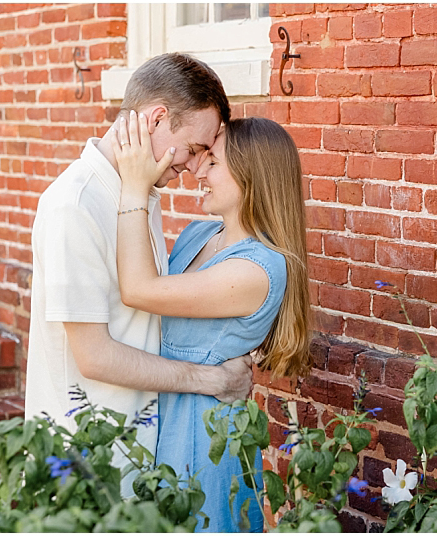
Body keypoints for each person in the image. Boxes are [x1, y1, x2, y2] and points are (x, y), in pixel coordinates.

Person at [25, 53, 253, 498]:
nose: (192, 167)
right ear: (157, 119)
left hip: (137, 457)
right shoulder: (75, 205)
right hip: (87, 469)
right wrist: (212, 379)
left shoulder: (139, 192)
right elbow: (95, 356)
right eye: (192, 149)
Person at [113, 112, 312, 532]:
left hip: (204, 440)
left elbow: (139, 290)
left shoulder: (258, 269)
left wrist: (135, 185)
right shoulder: (196, 234)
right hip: (159, 414)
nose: (198, 170)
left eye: (213, 162)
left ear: (251, 178)